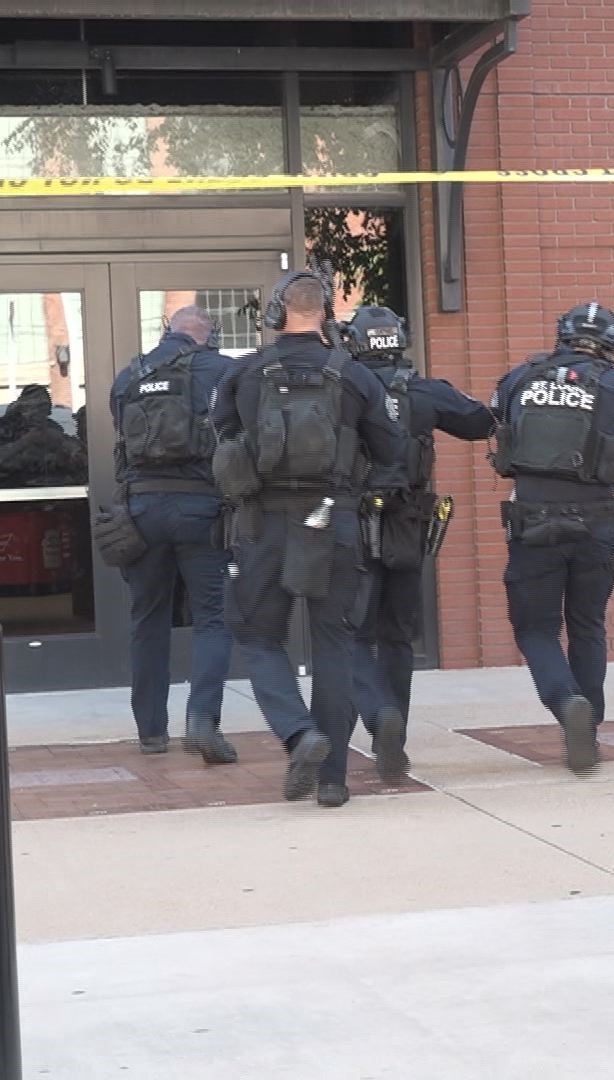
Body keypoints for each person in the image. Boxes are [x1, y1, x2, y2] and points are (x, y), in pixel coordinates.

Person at [210, 270, 409, 807]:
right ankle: (333, 781)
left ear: (276, 314)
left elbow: (223, 440)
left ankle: (301, 734)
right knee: (335, 646)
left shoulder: (244, 374)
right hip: (336, 518)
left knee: (258, 638)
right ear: (326, 313)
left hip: (263, 524)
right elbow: (393, 452)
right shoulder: (356, 376)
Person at [488, 302, 614, 775]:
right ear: (612, 342)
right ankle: (586, 730)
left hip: (532, 521)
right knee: (587, 623)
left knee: (536, 629)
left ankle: (567, 703)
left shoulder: (520, 378)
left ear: (561, 336)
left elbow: (494, 419)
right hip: (596, 523)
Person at [341, 306, 494, 779]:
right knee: (397, 636)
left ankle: (376, 717)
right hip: (408, 522)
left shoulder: (342, 387)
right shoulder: (424, 391)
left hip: (355, 522)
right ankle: (396, 742)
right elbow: (481, 422)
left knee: (350, 633)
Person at [106, 306, 237, 761]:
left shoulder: (129, 377)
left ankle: (150, 733)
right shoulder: (222, 370)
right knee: (212, 618)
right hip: (201, 507)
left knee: (148, 618)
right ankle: (202, 719)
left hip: (141, 509)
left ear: (168, 332)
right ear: (208, 337)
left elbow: (121, 439)